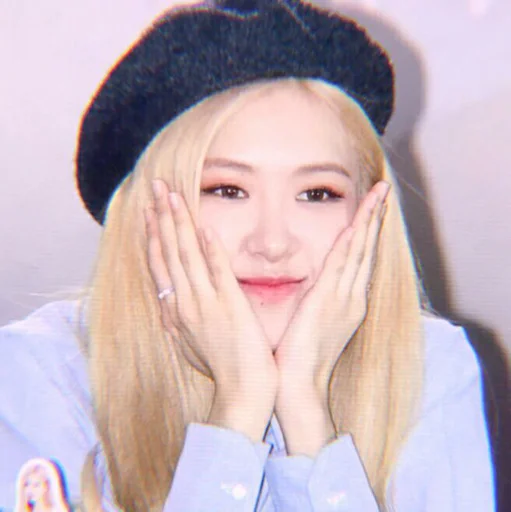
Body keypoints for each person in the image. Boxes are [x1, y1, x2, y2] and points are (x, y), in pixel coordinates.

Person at [0, 0, 495, 510]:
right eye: (227, 190)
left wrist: (307, 413)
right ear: (147, 214)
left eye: (317, 193)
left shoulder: (432, 369)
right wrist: (238, 407)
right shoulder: (38, 374)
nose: (273, 243)